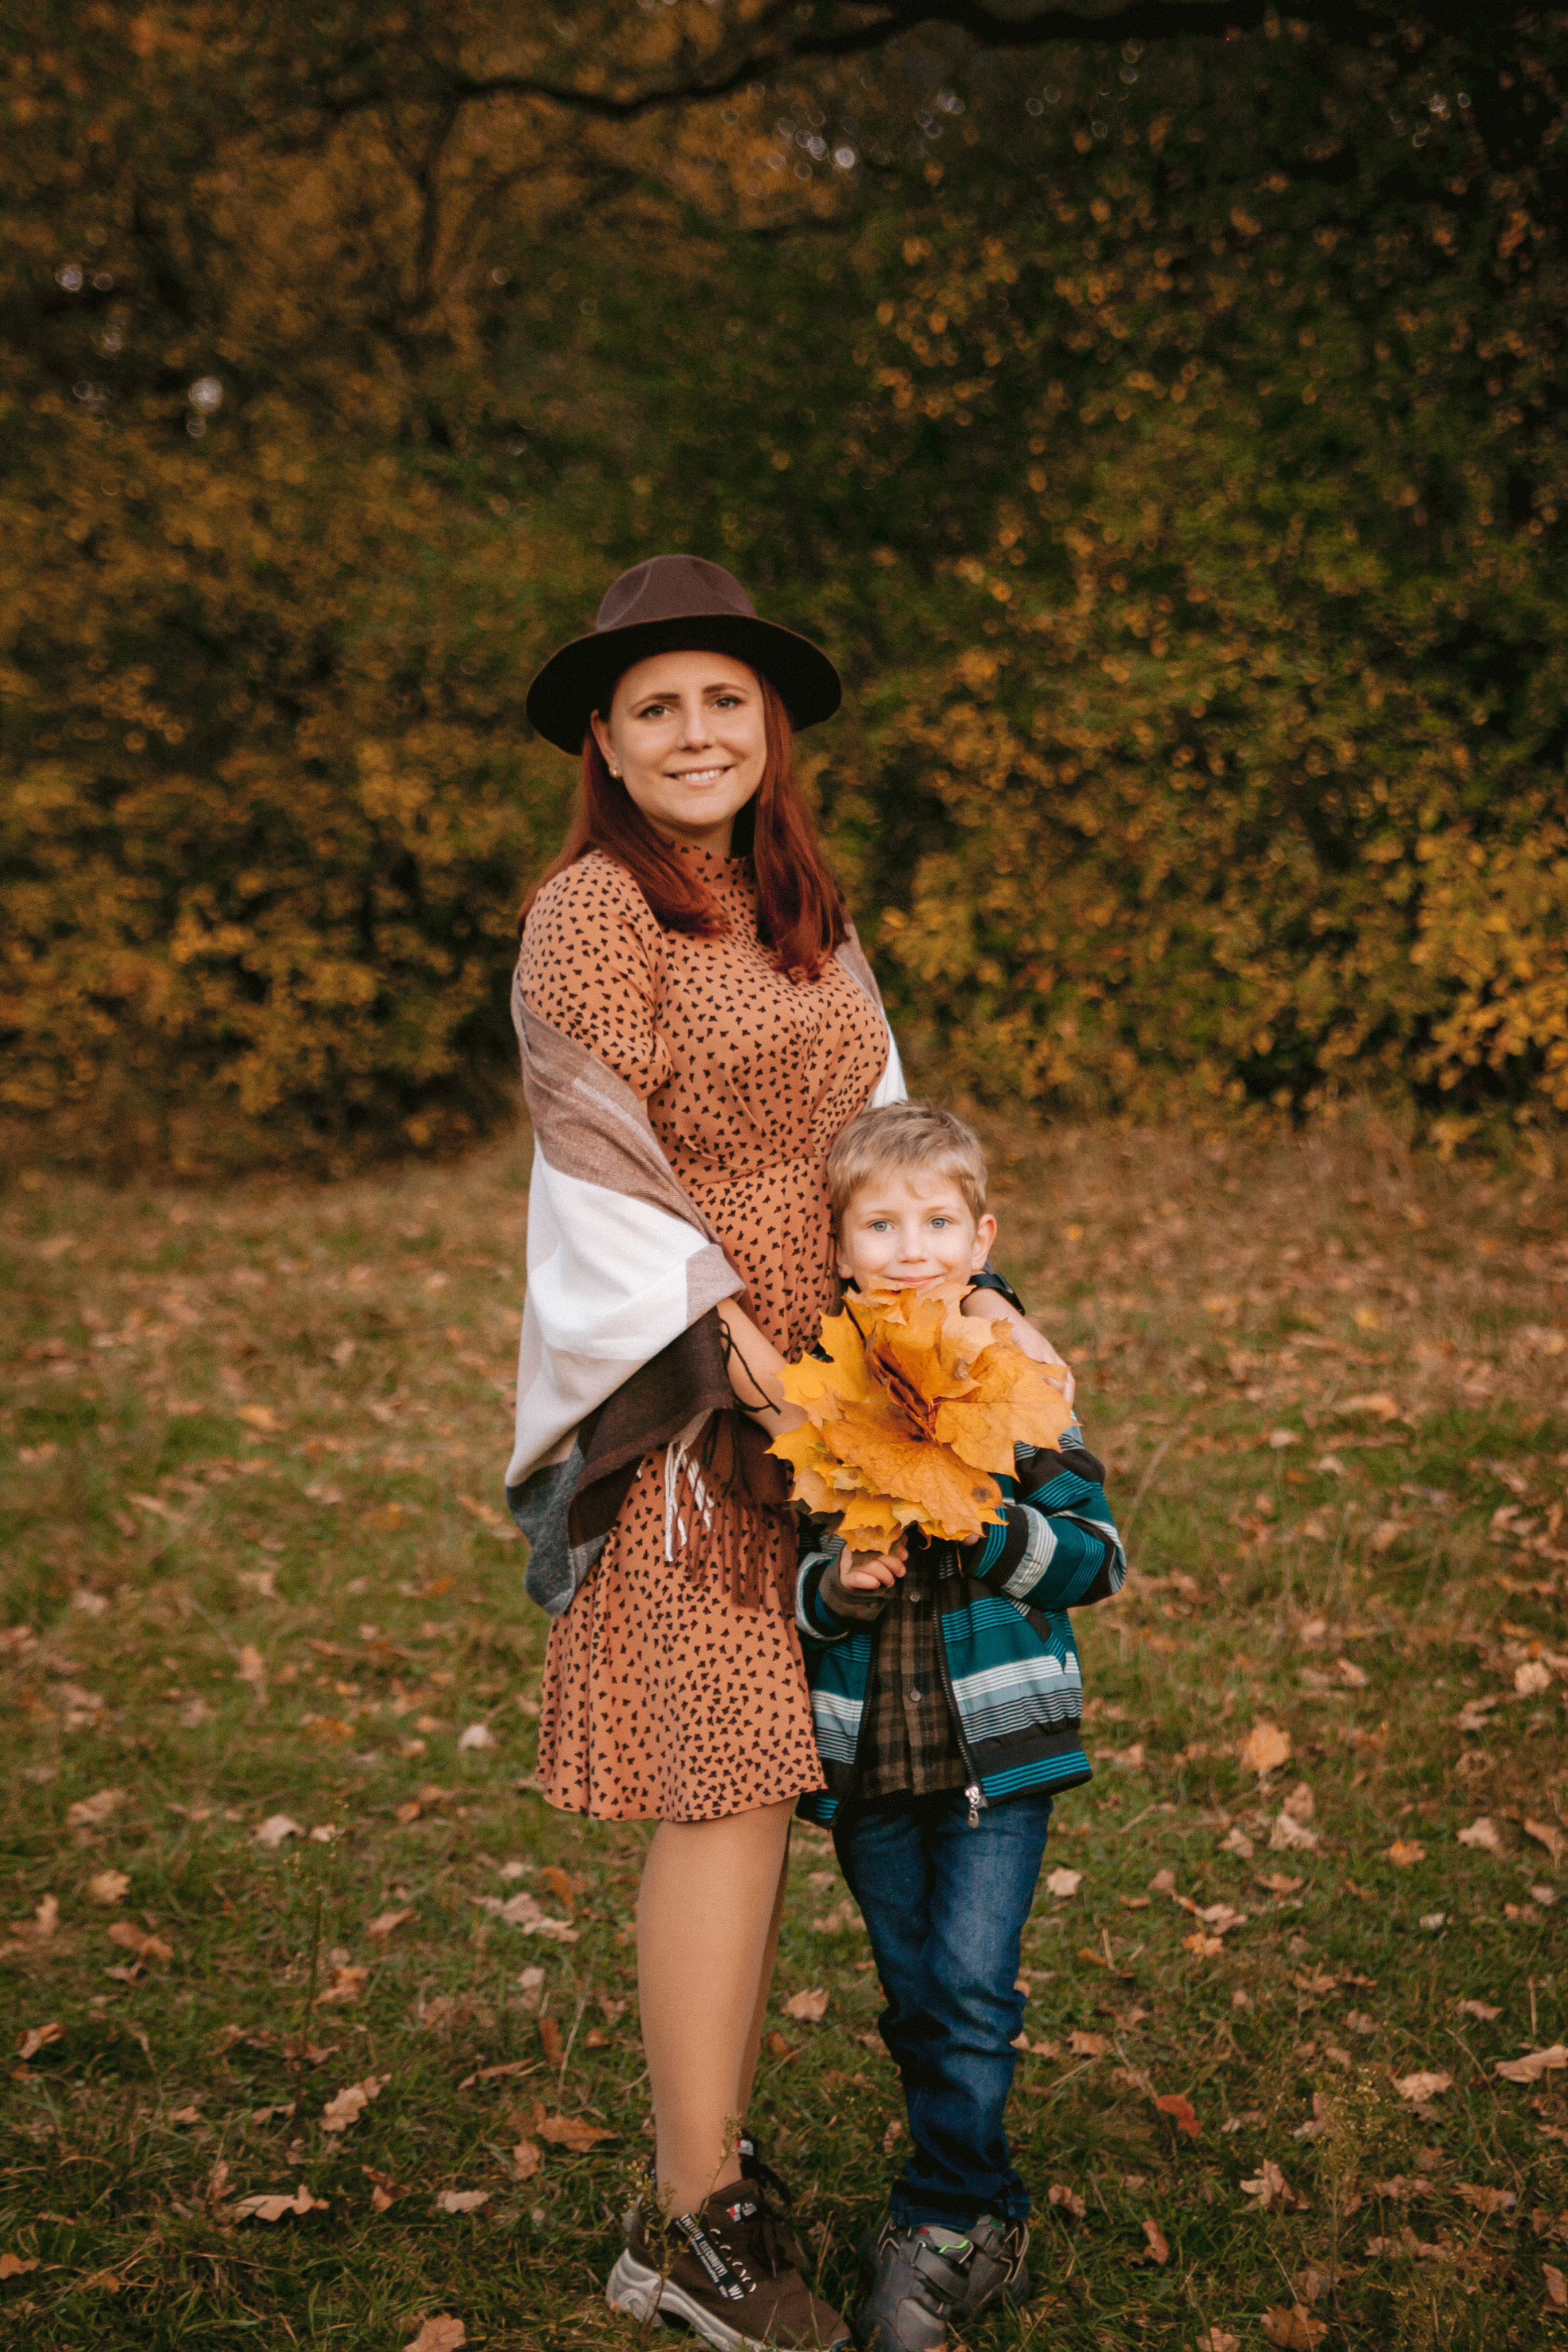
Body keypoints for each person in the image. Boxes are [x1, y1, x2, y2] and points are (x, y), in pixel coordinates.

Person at [507, 554, 905, 2351]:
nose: (692, 731)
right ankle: (683, 2223)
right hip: (696, 1403)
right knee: (726, 1781)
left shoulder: (788, 900)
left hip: (841, 1382)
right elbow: (593, 1152)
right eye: (655, 705)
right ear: (603, 734)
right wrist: (735, 1353)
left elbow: (881, 1109)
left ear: (772, 729)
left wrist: (938, 1314)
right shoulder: (596, 912)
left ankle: (714, 2165)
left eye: (722, 702)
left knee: (782, 1781)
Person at [790, 1101, 1126, 2352]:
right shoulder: (820, 1389)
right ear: (837, 1247)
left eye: (936, 1220)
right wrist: (836, 1588)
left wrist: (982, 1532)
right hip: (871, 1755)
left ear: (982, 1236)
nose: (909, 1245)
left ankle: (940, 2218)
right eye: (879, 1223)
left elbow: (1096, 1557)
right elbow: (790, 1582)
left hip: (996, 1754)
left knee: (971, 1990)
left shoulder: (1016, 1375)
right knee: (912, 1991)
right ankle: (981, 2206)